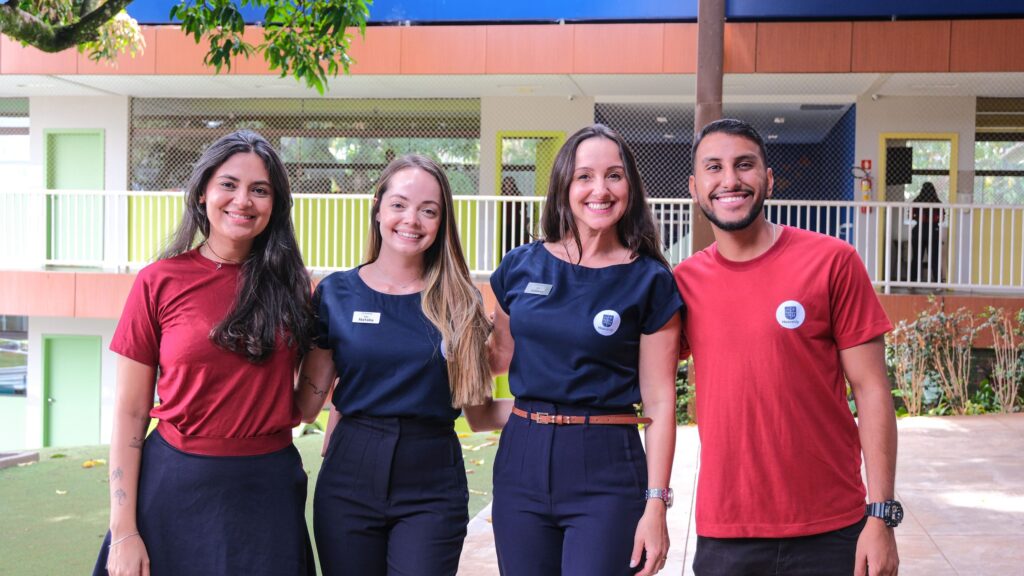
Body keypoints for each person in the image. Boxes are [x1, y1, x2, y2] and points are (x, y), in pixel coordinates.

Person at [674, 118, 900, 576]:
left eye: (745, 165)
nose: (730, 180)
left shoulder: (833, 261)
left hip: (833, 525)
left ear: (769, 179)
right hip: (727, 530)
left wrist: (881, 515)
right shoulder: (683, 285)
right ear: (695, 188)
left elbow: (872, 390)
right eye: (714, 168)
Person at [96, 130, 316, 576]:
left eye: (260, 190)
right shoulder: (158, 281)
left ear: (274, 205)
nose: (243, 200)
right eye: (229, 185)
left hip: (267, 489)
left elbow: (308, 395)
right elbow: (130, 412)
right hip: (174, 486)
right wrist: (123, 529)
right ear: (202, 194)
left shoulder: (293, 287)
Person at [296, 154, 511, 576]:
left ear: (441, 221)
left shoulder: (461, 302)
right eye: (399, 204)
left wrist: (553, 413)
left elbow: (480, 413)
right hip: (349, 475)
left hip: (432, 477)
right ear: (378, 208)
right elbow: (307, 403)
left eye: (428, 210)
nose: (411, 219)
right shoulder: (336, 293)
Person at [488, 124, 682, 576]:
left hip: (607, 465)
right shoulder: (520, 266)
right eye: (584, 177)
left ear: (630, 187)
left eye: (614, 175)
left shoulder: (650, 280)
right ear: (564, 187)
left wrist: (656, 505)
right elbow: (496, 357)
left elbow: (659, 400)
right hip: (521, 457)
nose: (600, 189)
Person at [909, 181, 943, 283]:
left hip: (918, 230)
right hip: (933, 231)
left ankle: (912, 281)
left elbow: (911, 215)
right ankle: (937, 282)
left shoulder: (917, 201)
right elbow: (941, 218)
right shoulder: (937, 202)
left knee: (916, 257)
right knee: (934, 258)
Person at [501, 175, 530, 253]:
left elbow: (524, 208)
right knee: (505, 241)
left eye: (510, 183)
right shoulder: (501, 194)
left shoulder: (517, 194)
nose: (509, 185)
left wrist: (524, 222)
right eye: (507, 183)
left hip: (516, 222)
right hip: (504, 223)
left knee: (516, 241)